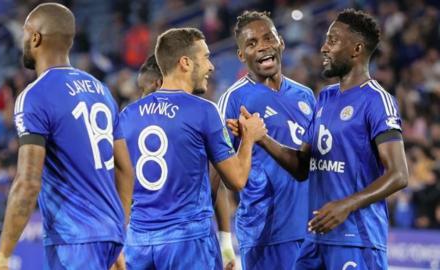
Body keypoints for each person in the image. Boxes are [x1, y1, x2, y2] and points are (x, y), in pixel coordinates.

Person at [229, 9, 408, 269]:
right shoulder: (324, 98)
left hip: (356, 238)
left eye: (333, 41)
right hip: (316, 239)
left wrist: (347, 205)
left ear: (356, 49)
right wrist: (260, 137)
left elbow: (399, 174)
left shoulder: (377, 100)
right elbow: (302, 166)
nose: (324, 48)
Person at [0, 3, 133, 270]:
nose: (22, 40)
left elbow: (28, 182)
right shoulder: (101, 90)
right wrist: (118, 233)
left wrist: (2, 256)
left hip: (73, 240)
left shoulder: (35, 96)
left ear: (35, 37)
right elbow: (125, 169)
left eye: (24, 32)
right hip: (108, 237)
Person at [120, 27, 266, 269]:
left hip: (137, 242)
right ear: (185, 63)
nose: (210, 66)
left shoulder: (127, 115)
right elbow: (237, 180)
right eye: (206, 57)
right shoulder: (203, 111)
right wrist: (249, 138)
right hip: (187, 242)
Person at [216, 10, 315, 269]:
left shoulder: (305, 96)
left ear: (280, 42)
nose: (262, 47)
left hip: (311, 230)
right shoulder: (233, 100)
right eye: (252, 44)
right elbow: (216, 179)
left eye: (268, 38)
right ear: (241, 55)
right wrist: (225, 245)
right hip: (265, 235)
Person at [136, 54, 236, 269]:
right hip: (182, 242)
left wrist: (226, 244)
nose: (142, 99)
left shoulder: (194, 119)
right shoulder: (197, 116)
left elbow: (215, 187)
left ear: (159, 84)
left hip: (153, 242)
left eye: (144, 91)